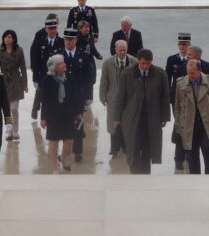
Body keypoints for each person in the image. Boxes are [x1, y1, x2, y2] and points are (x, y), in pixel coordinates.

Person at [114, 48, 170, 174]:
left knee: (148, 148)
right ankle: (134, 173)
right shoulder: (127, 74)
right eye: (143, 63)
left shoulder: (160, 74)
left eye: (148, 64)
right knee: (133, 146)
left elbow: (165, 97)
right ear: (138, 61)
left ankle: (145, 173)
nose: (145, 66)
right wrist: (117, 117)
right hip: (133, 118)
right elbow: (120, 97)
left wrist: (165, 117)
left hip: (151, 118)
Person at [174, 59, 209, 174]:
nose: (190, 75)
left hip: (206, 122)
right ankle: (195, 177)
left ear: (200, 70)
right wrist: (178, 125)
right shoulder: (181, 83)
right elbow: (177, 107)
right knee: (192, 153)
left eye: (193, 73)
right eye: (188, 72)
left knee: (208, 149)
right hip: (189, 123)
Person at [39, 54, 81, 173]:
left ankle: (63, 157)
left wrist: (78, 112)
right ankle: (55, 168)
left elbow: (74, 96)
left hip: (68, 114)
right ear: (55, 67)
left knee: (69, 140)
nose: (65, 65)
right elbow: (44, 100)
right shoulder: (47, 80)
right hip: (53, 115)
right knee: (54, 141)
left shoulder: (70, 77)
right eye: (62, 63)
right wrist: (43, 118)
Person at [62, 28, 95, 162]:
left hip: (78, 96)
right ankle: (66, 148)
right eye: (67, 39)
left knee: (78, 122)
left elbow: (89, 78)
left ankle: (78, 151)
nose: (69, 42)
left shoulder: (84, 55)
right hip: (62, 96)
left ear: (76, 40)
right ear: (64, 40)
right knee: (65, 123)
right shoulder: (57, 55)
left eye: (72, 39)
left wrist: (88, 96)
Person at [99, 39, 137, 157]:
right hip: (113, 98)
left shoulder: (134, 62)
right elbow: (104, 81)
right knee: (114, 123)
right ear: (115, 50)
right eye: (120, 50)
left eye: (124, 50)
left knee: (127, 123)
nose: (122, 52)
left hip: (129, 98)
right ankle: (114, 148)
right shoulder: (107, 63)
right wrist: (102, 97)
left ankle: (126, 146)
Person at [166, 32, 191, 170]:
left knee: (190, 127)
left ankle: (188, 153)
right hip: (177, 100)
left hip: (192, 100)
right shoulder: (172, 60)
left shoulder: (192, 60)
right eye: (180, 44)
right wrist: (169, 97)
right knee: (180, 127)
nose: (182, 47)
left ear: (189, 45)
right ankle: (178, 157)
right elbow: (167, 79)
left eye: (185, 44)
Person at [0, 29, 27, 141]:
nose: (7, 39)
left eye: (9, 37)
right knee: (7, 108)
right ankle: (9, 131)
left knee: (14, 108)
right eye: (5, 37)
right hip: (4, 81)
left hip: (16, 81)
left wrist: (25, 84)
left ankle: (15, 130)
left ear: (13, 39)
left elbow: (23, 67)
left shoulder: (19, 51)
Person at [30, 17, 64, 120]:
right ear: (46, 29)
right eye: (50, 28)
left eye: (54, 28)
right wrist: (35, 77)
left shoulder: (61, 41)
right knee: (40, 92)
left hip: (56, 74)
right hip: (42, 74)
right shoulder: (39, 42)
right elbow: (34, 57)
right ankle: (35, 109)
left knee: (54, 95)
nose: (53, 30)